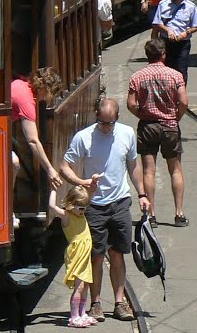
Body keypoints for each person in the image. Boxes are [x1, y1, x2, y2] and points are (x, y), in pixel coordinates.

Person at [60, 98, 150, 323]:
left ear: (117, 118)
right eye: (102, 122)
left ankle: (119, 303)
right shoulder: (84, 137)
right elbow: (64, 167)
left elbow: (133, 165)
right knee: (96, 257)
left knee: (118, 254)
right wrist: (83, 182)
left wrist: (142, 194)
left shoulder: (127, 133)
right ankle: (96, 303)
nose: (106, 127)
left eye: (109, 123)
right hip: (94, 206)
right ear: (96, 116)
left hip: (120, 202)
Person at [126, 38, 190, 228]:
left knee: (149, 170)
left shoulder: (137, 77)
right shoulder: (175, 75)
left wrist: (142, 114)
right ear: (163, 54)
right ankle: (179, 214)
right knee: (175, 169)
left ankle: (150, 214)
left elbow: (130, 104)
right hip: (169, 125)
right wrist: (175, 118)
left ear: (147, 55)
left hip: (147, 126)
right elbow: (184, 102)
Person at [55, 184, 99, 328]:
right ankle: (74, 316)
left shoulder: (81, 213)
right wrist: (53, 190)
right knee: (79, 287)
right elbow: (51, 207)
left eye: (86, 207)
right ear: (70, 204)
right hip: (77, 256)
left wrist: (93, 186)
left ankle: (82, 313)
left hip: (85, 255)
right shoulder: (67, 216)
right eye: (81, 208)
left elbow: (90, 195)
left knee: (85, 286)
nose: (84, 210)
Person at [151, 0, 197, 84]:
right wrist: (168, 30)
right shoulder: (163, 3)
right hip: (165, 42)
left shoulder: (190, 7)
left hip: (182, 43)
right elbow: (156, 23)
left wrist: (186, 33)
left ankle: (180, 95)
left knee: (181, 70)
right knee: (165, 69)